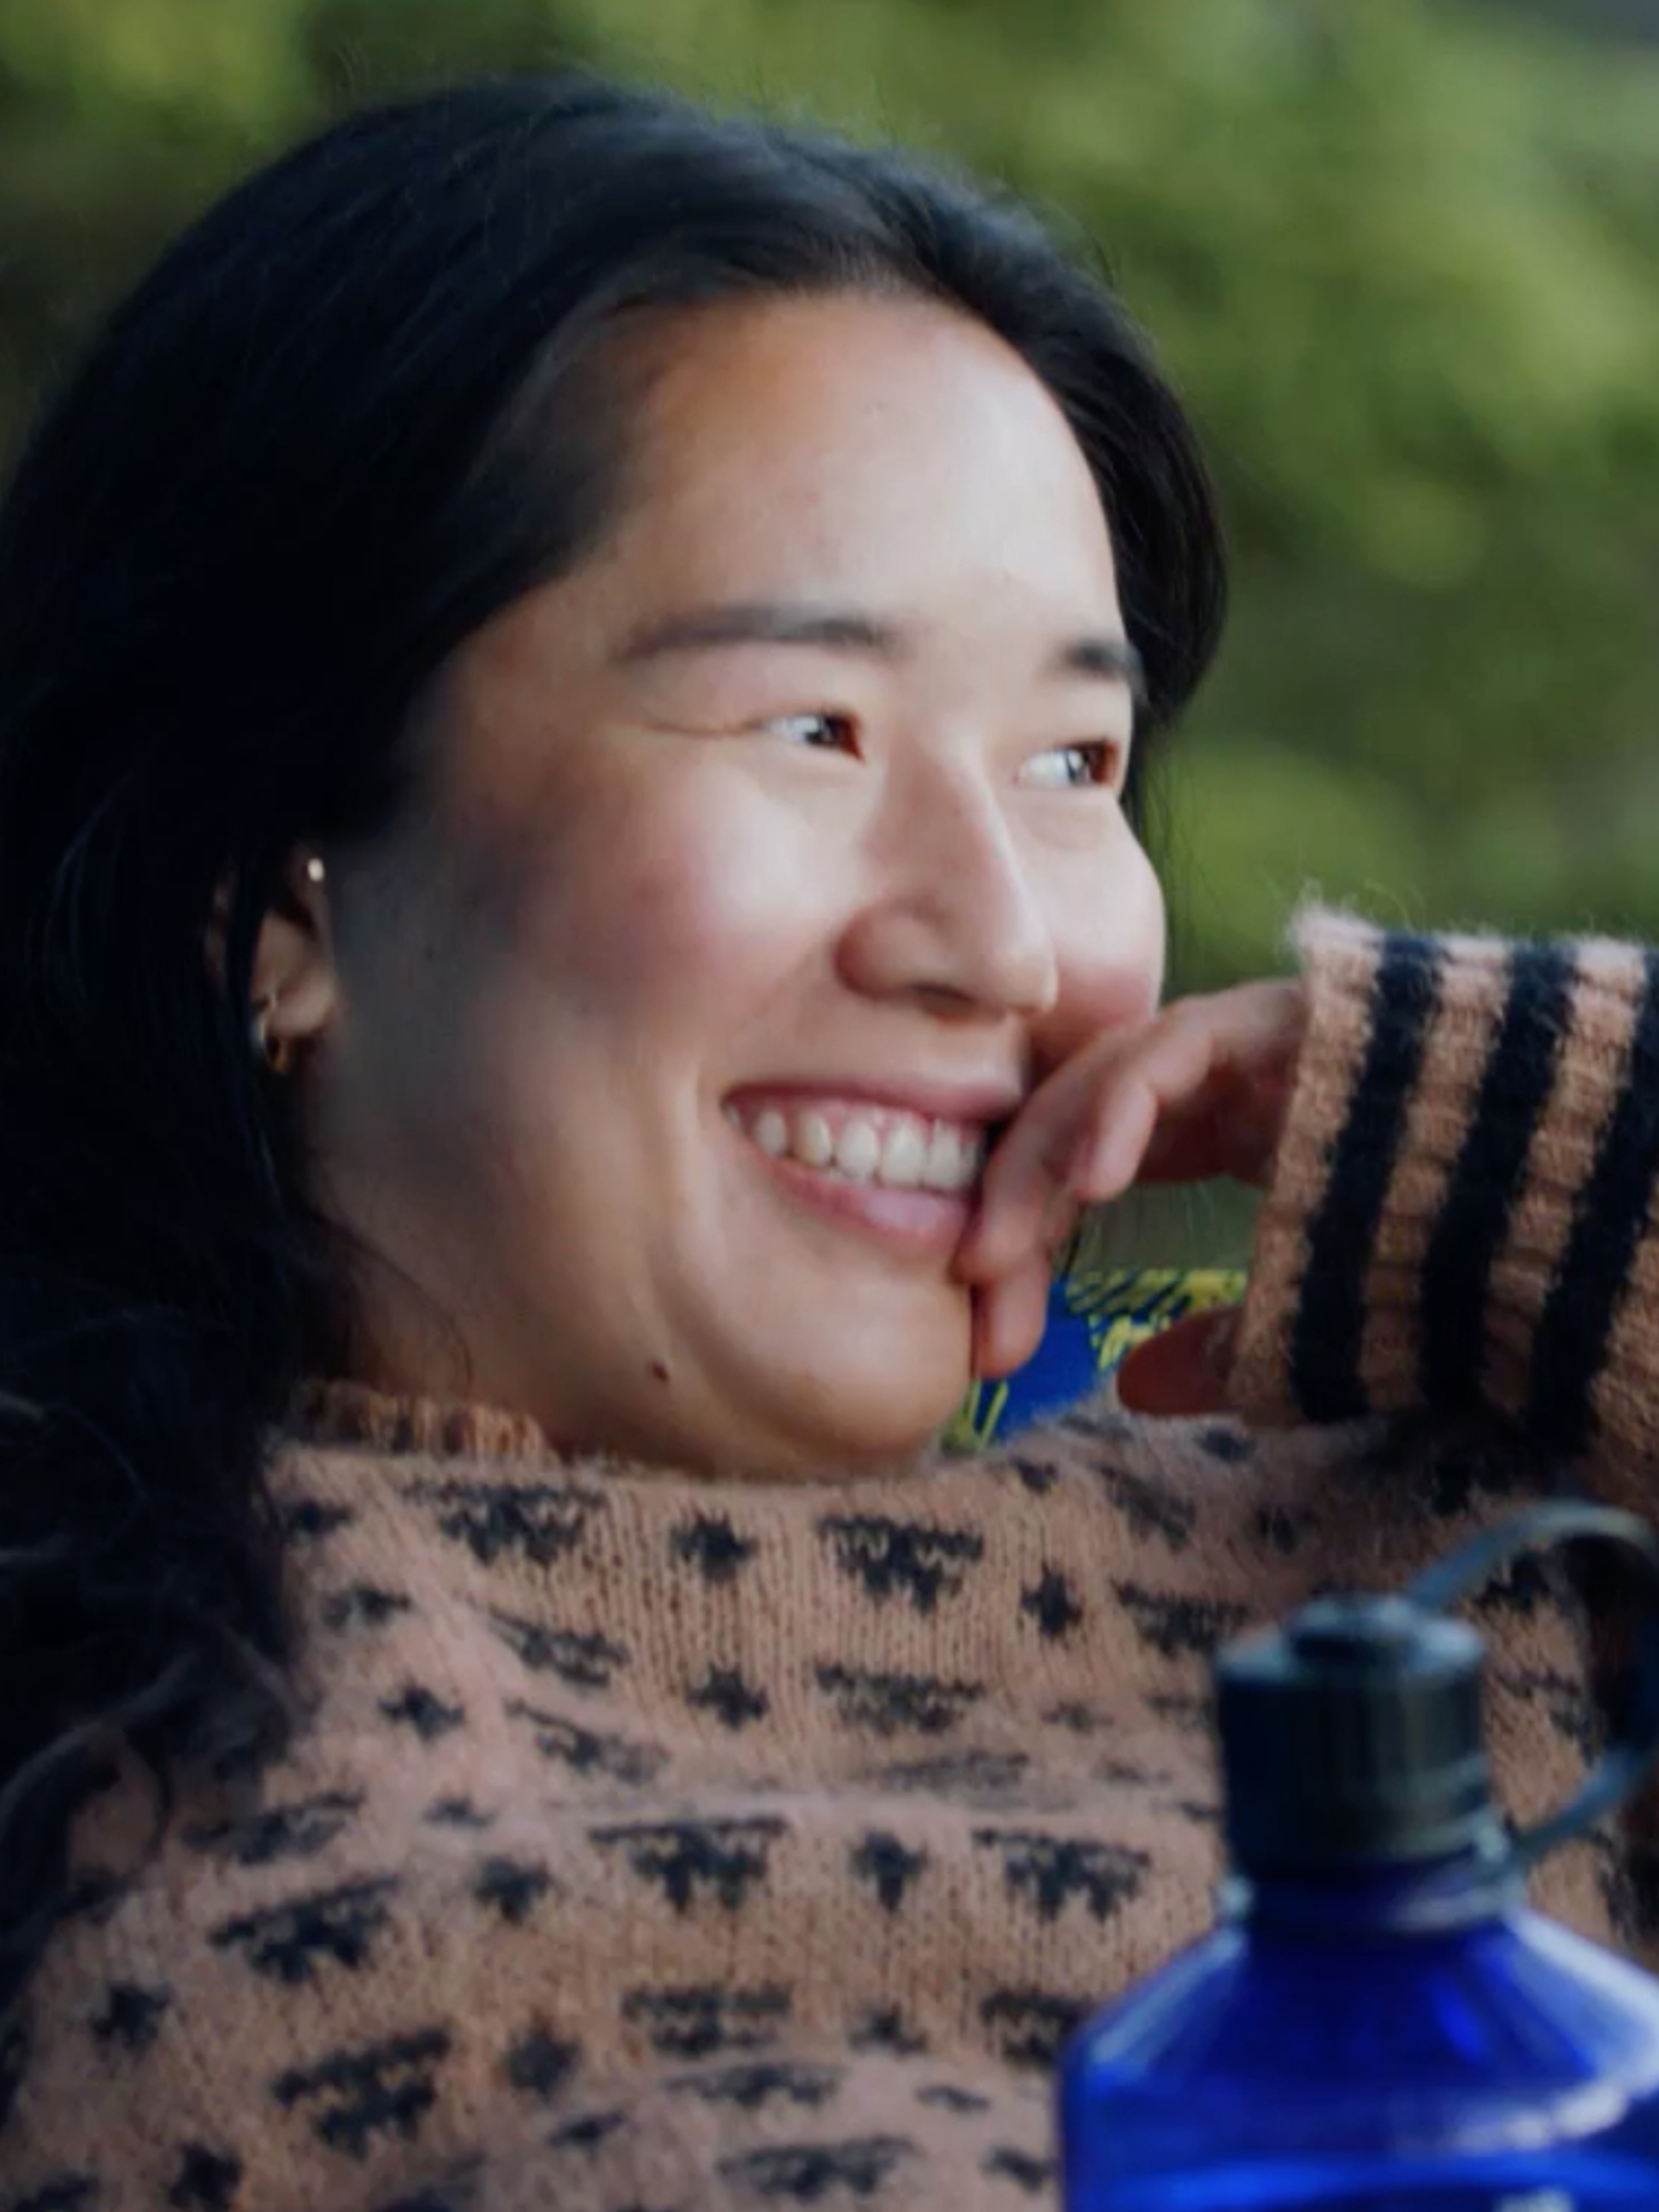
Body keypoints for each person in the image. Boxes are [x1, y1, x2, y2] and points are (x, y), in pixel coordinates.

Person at [0, 73, 1654, 2212]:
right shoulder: (100, 1762)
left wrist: (1553, 1152)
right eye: (815, 726)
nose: (1000, 937)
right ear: (271, 892)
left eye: (1076, 758)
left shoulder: (1463, 1558)